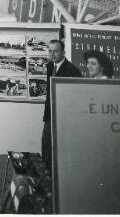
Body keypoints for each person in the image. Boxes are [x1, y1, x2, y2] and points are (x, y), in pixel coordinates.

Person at [42, 39, 81, 169]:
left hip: (64, 120)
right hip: (49, 117)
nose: (52, 54)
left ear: (63, 52)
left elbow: (76, 99)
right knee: (46, 149)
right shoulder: (49, 67)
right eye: (50, 51)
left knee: (60, 153)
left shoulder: (72, 71)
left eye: (56, 51)